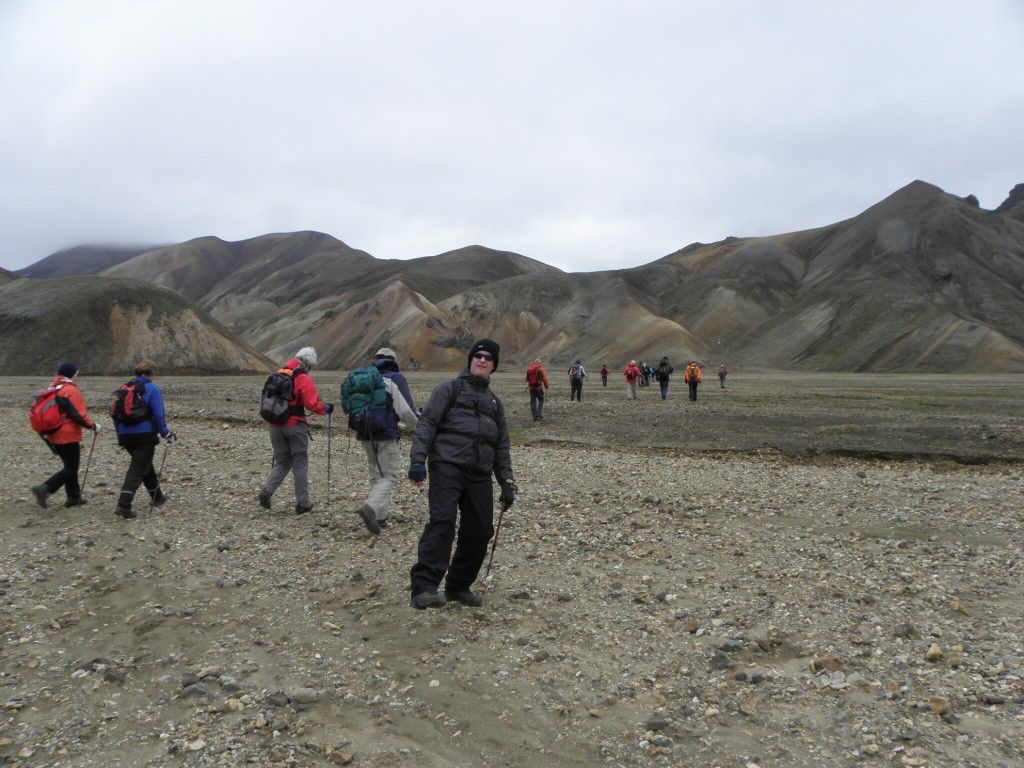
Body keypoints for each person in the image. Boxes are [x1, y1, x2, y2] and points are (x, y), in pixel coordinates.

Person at [407, 339, 516, 609]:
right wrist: (418, 459)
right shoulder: (449, 390)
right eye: (478, 356)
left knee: (480, 530)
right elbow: (427, 424)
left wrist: (507, 481)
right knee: (442, 523)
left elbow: (501, 446)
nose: (482, 360)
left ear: (494, 366)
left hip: (479, 473)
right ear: (470, 360)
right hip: (447, 466)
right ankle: (424, 588)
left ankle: (458, 585)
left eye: (488, 358)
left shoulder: (495, 404)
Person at [257, 347, 332, 515]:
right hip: (295, 426)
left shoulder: (278, 374)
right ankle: (303, 502)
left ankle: (267, 490)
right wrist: (326, 409)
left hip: (274, 424)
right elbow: (312, 404)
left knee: (283, 461)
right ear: (308, 364)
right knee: (299, 461)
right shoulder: (302, 377)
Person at [352, 348, 418, 534]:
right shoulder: (394, 378)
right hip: (386, 433)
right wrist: (420, 423)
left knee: (376, 473)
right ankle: (371, 507)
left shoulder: (365, 378)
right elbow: (405, 411)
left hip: (365, 433)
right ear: (393, 360)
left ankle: (380, 517)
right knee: (388, 476)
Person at [30, 362, 100, 509]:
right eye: (76, 374)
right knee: (72, 467)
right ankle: (45, 488)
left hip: (51, 433)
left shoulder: (52, 387)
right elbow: (78, 415)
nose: (77, 377)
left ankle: (73, 497)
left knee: (69, 465)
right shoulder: (71, 390)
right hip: (67, 433)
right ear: (72, 375)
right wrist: (93, 426)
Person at [113, 360, 175, 519]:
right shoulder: (152, 389)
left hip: (125, 435)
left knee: (144, 464)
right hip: (144, 434)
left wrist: (120, 435)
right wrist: (165, 433)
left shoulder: (124, 388)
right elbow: (158, 414)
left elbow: (115, 414)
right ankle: (123, 504)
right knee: (138, 467)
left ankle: (157, 497)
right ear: (152, 373)